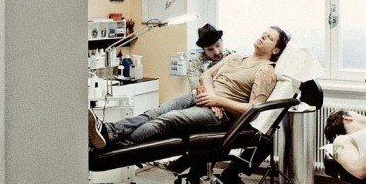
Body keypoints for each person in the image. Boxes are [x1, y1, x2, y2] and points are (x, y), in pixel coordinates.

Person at [90, 26, 290, 152]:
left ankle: (110, 148)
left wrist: (218, 102)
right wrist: (211, 95)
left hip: (221, 115)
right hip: (201, 98)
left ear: (276, 50)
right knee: (154, 112)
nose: (263, 36)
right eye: (264, 33)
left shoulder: (266, 71)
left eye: (269, 38)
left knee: (168, 119)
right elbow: (205, 76)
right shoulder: (235, 57)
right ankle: (108, 131)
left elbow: (253, 110)